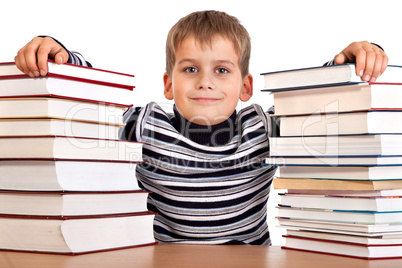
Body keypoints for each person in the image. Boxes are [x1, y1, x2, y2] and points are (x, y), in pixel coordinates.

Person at [14, 10, 388, 245]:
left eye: (221, 70)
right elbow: (91, 101)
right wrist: (59, 53)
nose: (205, 82)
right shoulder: (147, 125)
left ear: (245, 87)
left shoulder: (262, 129)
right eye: (190, 68)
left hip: (249, 258)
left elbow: (317, 100)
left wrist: (355, 57)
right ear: (167, 84)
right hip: (164, 258)